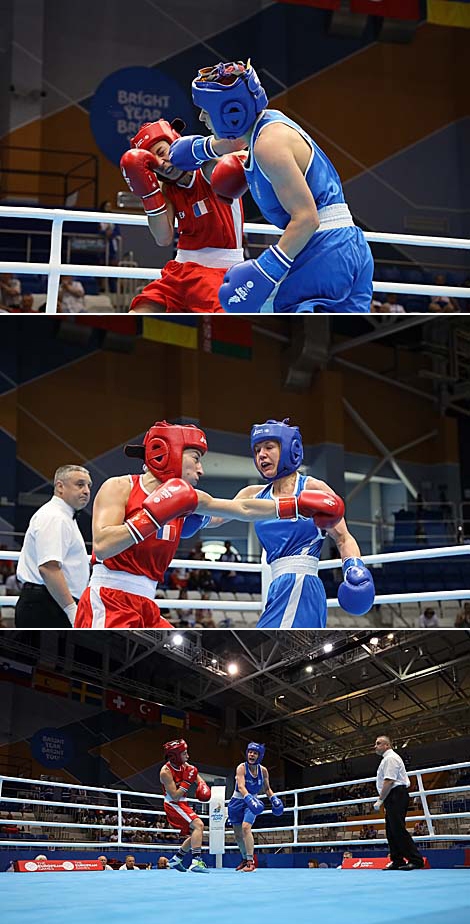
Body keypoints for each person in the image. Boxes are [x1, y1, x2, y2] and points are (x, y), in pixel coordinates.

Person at [74, 419, 358, 629]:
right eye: (196, 459)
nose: (201, 469)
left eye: (269, 446)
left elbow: (242, 509)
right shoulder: (120, 486)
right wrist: (153, 515)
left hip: (148, 604)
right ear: (169, 452)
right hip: (110, 598)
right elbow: (102, 545)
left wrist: (298, 505)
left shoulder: (189, 500)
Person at [168, 61, 373, 314]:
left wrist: (266, 270)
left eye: (205, 111)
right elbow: (226, 145)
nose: (201, 117)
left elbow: (307, 219)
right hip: (348, 246)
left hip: (321, 248)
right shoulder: (269, 125)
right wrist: (197, 149)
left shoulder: (268, 146)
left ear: (231, 112)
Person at [196, 419, 375, 628]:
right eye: (257, 449)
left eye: (269, 447)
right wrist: (187, 513)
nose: (261, 454)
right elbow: (216, 518)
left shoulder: (313, 488)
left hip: (300, 583)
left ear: (291, 449)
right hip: (278, 585)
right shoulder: (253, 494)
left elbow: (343, 538)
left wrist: (354, 567)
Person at [119, 118, 247, 313]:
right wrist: (149, 195)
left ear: (175, 142)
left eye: (161, 152)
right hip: (180, 270)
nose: (161, 164)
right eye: (153, 164)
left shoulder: (207, 168)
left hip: (220, 272)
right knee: (139, 311)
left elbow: (239, 146)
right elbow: (163, 238)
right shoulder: (166, 190)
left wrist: (199, 150)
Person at [15, 465, 92, 628]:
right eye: (80, 484)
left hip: (53, 602)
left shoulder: (65, 516)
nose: (86, 491)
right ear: (60, 487)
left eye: (88, 486)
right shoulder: (55, 517)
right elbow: (49, 568)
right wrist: (72, 611)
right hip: (49, 604)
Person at [227, 742, 284, 872]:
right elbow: (241, 786)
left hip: (251, 802)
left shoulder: (263, 771)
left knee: (246, 828)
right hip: (237, 801)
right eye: (250, 752)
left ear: (259, 755)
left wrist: (273, 798)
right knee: (237, 835)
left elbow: (267, 788)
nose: (251, 755)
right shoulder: (241, 767)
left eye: (255, 753)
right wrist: (248, 798)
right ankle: (243, 858)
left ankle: (250, 861)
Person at [373, 735, 424, 870]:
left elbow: (389, 780)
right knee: (391, 830)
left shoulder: (391, 758)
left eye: (378, 743)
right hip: (393, 796)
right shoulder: (387, 759)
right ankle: (397, 860)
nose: (375, 746)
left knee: (398, 829)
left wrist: (380, 799)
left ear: (387, 745)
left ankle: (416, 860)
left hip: (396, 794)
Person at [160, 739, 211, 873]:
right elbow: (175, 795)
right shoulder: (165, 772)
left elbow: (196, 776)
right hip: (173, 804)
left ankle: (176, 860)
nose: (187, 756)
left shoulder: (184, 765)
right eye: (184, 754)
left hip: (182, 802)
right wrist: (187, 782)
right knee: (199, 825)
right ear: (175, 756)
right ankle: (195, 862)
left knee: (195, 833)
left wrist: (202, 785)